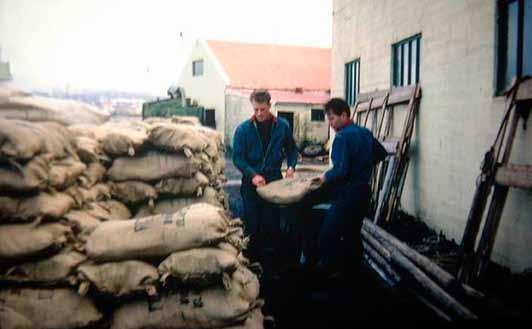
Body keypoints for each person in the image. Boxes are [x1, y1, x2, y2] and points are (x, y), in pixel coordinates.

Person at [298, 97, 375, 279]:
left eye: (332, 118)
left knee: (327, 234)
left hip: (348, 193)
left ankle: (331, 272)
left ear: (344, 115)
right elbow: (379, 152)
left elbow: (340, 170)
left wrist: (325, 177)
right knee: (352, 232)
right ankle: (356, 272)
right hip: (364, 192)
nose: (330, 123)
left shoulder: (342, 137)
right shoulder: (365, 133)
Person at [232, 89, 298, 272]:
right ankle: (252, 265)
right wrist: (252, 175)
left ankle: (272, 268)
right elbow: (237, 158)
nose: (259, 113)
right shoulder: (243, 130)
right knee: (253, 225)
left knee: (272, 224)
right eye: (256, 109)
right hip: (251, 183)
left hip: (274, 182)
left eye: (262, 109)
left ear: (270, 106)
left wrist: (292, 166)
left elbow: (292, 150)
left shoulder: (282, 126)